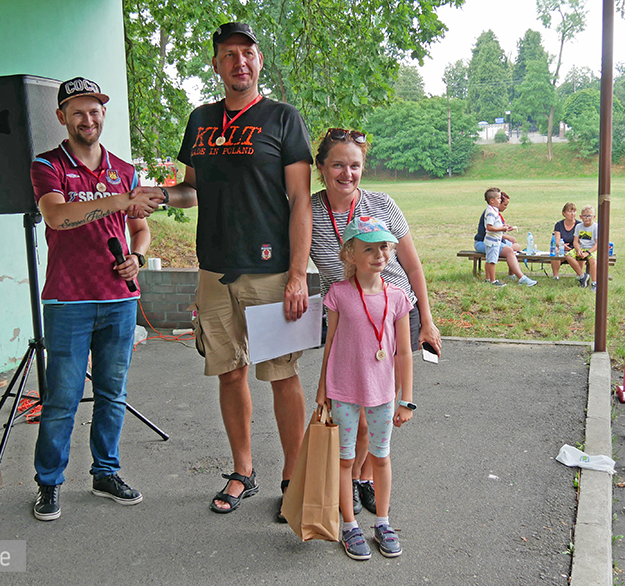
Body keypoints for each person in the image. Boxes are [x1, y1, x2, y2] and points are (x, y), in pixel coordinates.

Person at [132, 22, 313, 517]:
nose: (240, 61)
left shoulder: (282, 118)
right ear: (215, 64)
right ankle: (243, 471)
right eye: (229, 53)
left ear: (259, 62)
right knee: (228, 373)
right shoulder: (201, 119)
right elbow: (192, 190)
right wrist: (162, 195)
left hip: (271, 272)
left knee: (281, 375)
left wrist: (297, 275)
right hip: (213, 272)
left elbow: (300, 201)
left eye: (248, 52)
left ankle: (293, 479)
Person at [29, 77, 160, 521]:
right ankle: (49, 482)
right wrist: (120, 200)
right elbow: (57, 215)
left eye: (96, 110)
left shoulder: (124, 169)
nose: (89, 119)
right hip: (68, 300)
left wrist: (137, 258)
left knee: (112, 392)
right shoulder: (47, 165)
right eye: (79, 111)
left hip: (119, 298)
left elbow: (139, 227)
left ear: (104, 114)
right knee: (62, 398)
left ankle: (105, 472)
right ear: (62, 116)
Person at [309, 128, 440, 516]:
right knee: (354, 406)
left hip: (393, 310)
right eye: (337, 165)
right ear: (321, 168)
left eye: (355, 165)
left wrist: (428, 320)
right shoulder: (310, 210)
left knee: (379, 405)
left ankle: (364, 476)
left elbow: (412, 265)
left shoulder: (382, 203)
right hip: (349, 312)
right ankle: (352, 478)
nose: (347, 173)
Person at [316, 216, 415, 560]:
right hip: (342, 391)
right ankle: (349, 526)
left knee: (381, 457)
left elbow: (404, 352)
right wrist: (321, 391)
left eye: (384, 247)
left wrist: (408, 401)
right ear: (349, 254)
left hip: (383, 395)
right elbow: (329, 344)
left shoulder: (399, 297)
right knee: (344, 462)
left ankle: (383, 522)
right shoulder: (338, 295)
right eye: (368, 248)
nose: (378, 254)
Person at [475, 187, 537, 287]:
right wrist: (504, 232)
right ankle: (498, 280)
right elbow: (489, 229)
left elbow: (497, 226)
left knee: (515, 247)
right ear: (493, 201)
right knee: (498, 257)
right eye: (502, 202)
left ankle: (508, 276)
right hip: (487, 241)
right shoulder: (490, 212)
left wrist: (505, 227)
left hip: (495, 240)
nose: (504, 206)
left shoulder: (495, 212)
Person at [566, 204, 599, 291]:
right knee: (568, 255)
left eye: (589, 216)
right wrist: (578, 250)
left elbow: (597, 244)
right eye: (584, 216)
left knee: (593, 261)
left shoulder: (596, 227)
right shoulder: (578, 226)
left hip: (592, 249)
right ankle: (582, 276)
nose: (586, 218)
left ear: (594, 217)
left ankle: (594, 283)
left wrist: (588, 253)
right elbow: (575, 241)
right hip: (581, 248)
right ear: (580, 216)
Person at [551, 202, 581, 280]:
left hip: (575, 248)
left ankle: (580, 275)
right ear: (564, 213)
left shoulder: (579, 225)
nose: (572, 214)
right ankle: (555, 275)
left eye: (574, 211)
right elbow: (557, 241)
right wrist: (563, 246)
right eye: (569, 211)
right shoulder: (559, 225)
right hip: (562, 248)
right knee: (556, 251)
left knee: (580, 252)